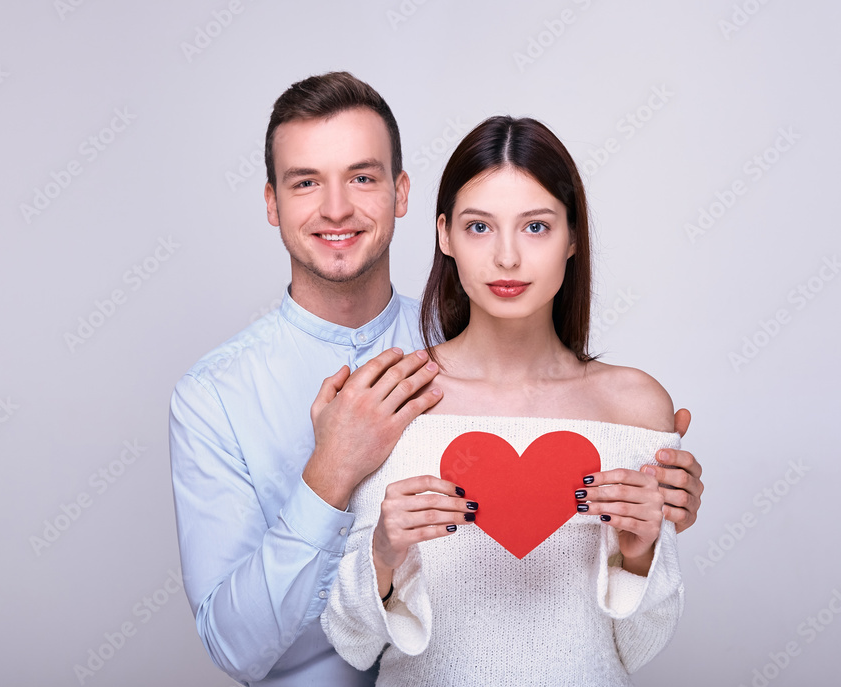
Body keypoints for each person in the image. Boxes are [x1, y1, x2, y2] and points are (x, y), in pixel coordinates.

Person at [169, 73, 704, 687]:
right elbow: (267, 644)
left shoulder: (606, 394)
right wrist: (334, 477)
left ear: (402, 194)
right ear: (447, 234)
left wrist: (650, 537)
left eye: (362, 176)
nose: (337, 207)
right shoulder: (229, 397)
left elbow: (637, 630)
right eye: (306, 182)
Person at [321, 115, 688, 685]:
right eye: (479, 228)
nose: (508, 258)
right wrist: (383, 552)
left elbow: (638, 646)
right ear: (445, 235)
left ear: (573, 238)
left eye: (536, 227)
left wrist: (640, 556)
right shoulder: (395, 399)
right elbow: (354, 644)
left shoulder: (634, 407)